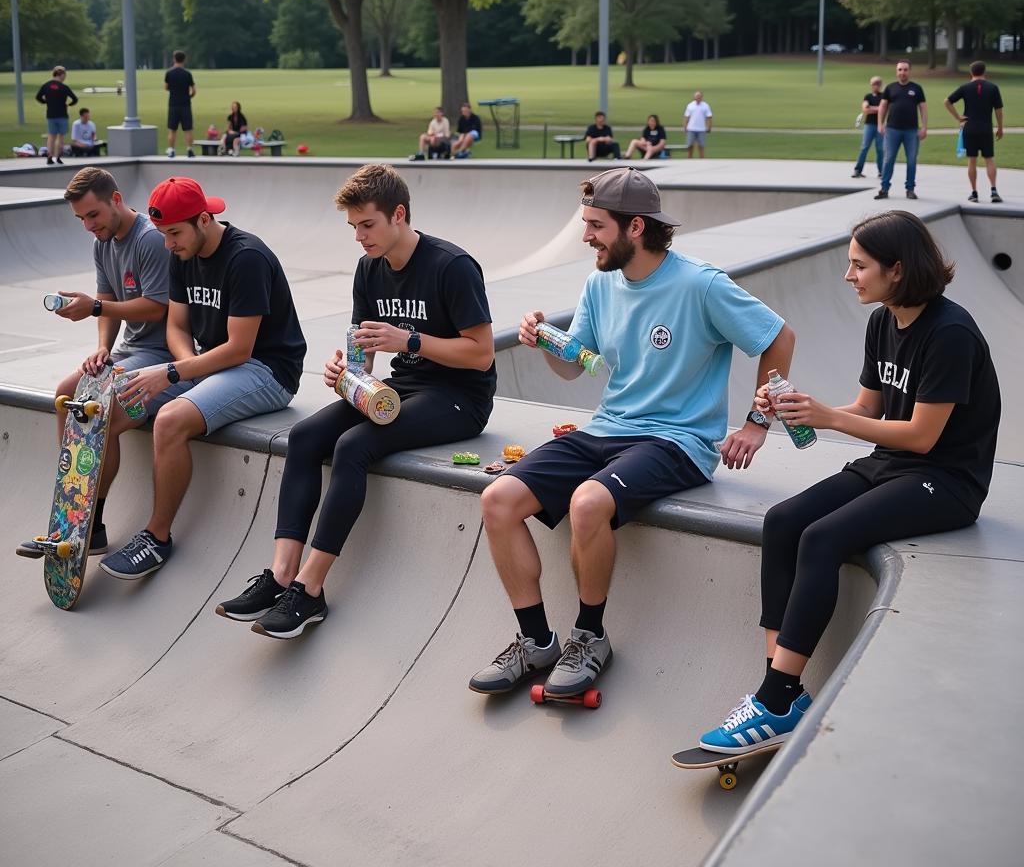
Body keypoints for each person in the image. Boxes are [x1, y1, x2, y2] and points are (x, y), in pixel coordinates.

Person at [468, 167, 797, 699]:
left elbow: (778, 336)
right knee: (499, 499)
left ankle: (590, 637)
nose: (586, 237)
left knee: (588, 503)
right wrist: (546, 344)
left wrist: (759, 421)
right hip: (609, 427)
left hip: (679, 441)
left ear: (636, 226)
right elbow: (577, 367)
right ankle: (536, 641)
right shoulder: (600, 282)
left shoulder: (700, 284)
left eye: (596, 225)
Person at [695, 210, 999, 756]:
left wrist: (829, 418)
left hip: (947, 480)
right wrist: (799, 409)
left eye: (859, 265)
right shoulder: (883, 320)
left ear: (897, 270)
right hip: (892, 464)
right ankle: (782, 691)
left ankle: (774, 696)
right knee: (784, 521)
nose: (848, 275)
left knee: (823, 537)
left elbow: (924, 437)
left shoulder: (950, 332)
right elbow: (866, 408)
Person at [214, 163, 496, 638]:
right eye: (353, 227)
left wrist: (409, 340)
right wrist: (346, 376)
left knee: (353, 446)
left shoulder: (452, 266)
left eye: (367, 225)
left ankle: (311, 589)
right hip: (399, 391)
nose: (360, 237)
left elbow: (481, 353)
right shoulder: (369, 269)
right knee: (303, 437)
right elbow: (365, 350)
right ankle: (282, 575)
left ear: (399, 215)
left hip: (459, 397)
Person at [99, 176, 306, 580]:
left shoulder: (246, 257)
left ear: (205, 219)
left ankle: (156, 538)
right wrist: (186, 366)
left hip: (267, 370)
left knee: (170, 420)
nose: (168, 244)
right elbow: (177, 327)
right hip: (210, 364)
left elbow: (239, 349)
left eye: (174, 233)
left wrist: (177, 373)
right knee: (110, 408)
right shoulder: (180, 254)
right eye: (161, 233)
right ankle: (90, 524)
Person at [15, 166, 172, 560]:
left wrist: (96, 306)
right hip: (129, 351)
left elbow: (156, 307)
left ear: (115, 200)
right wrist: (103, 346)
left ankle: (91, 524)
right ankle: (69, 511)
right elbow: (107, 301)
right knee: (65, 393)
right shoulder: (103, 242)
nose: (88, 226)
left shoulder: (150, 240)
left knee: (103, 414)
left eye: (93, 215)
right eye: (81, 219)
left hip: (164, 354)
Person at [944, 61, 1004, 204]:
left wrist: (958, 117)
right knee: (989, 159)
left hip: (969, 128)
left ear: (971, 73)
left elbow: (947, 101)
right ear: (985, 72)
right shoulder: (993, 88)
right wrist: (1000, 127)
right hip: (985, 128)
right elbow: (998, 110)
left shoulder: (965, 87)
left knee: (972, 160)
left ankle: (974, 193)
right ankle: (994, 191)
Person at [877, 60, 927, 200]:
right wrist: (880, 124)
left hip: (911, 131)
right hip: (892, 130)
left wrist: (924, 127)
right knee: (888, 159)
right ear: (896, 71)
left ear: (909, 71)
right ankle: (884, 189)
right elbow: (882, 107)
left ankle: (910, 189)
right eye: (900, 69)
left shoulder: (917, 88)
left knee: (911, 160)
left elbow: (923, 108)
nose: (902, 72)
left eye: (905, 70)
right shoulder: (890, 88)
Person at [36, 65, 77, 166]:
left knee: (51, 136)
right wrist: (68, 104)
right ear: (61, 74)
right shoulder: (64, 87)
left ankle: (49, 157)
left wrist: (45, 101)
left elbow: (38, 97)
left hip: (51, 114)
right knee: (61, 137)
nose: (65, 77)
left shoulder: (46, 85)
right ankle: (58, 157)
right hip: (62, 114)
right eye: (64, 75)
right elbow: (75, 99)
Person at [164, 50, 196, 159]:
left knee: (172, 129)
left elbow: (166, 87)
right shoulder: (187, 74)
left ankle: (172, 150)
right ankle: (189, 150)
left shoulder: (169, 73)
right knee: (188, 129)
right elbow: (194, 90)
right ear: (184, 60)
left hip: (173, 104)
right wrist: (189, 96)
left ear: (174, 59)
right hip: (185, 104)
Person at [851, 77, 883, 179]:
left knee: (880, 149)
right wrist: (877, 109)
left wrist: (872, 108)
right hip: (869, 125)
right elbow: (865, 109)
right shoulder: (868, 96)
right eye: (874, 84)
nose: (876, 86)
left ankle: (881, 171)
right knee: (864, 147)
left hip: (879, 125)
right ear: (871, 85)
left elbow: (885, 108)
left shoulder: (883, 96)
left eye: (878, 83)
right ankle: (858, 170)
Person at [683, 91, 713, 158]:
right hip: (691, 129)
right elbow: (687, 117)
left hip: (701, 129)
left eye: (699, 96)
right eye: (696, 96)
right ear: (694, 97)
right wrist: (685, 127)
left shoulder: (705, 106)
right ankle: (689, 161)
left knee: (701, 146)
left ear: (702, 97)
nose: (698, 98)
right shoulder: (690, 105)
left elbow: (709, 117)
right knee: (690, 146)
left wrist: (709, 127)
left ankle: (702, 161)